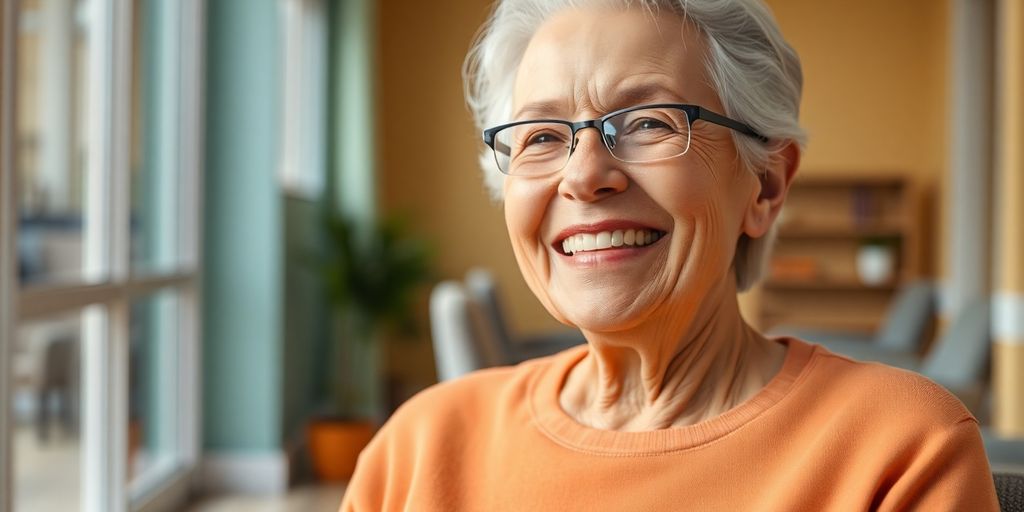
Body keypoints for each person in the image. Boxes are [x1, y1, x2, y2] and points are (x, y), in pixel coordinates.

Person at [341, 0, 999, 510]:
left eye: (649, 122)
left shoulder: (900, 449)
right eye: (542, 135)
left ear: (765, 184)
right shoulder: (420, 446)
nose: (583, 175)